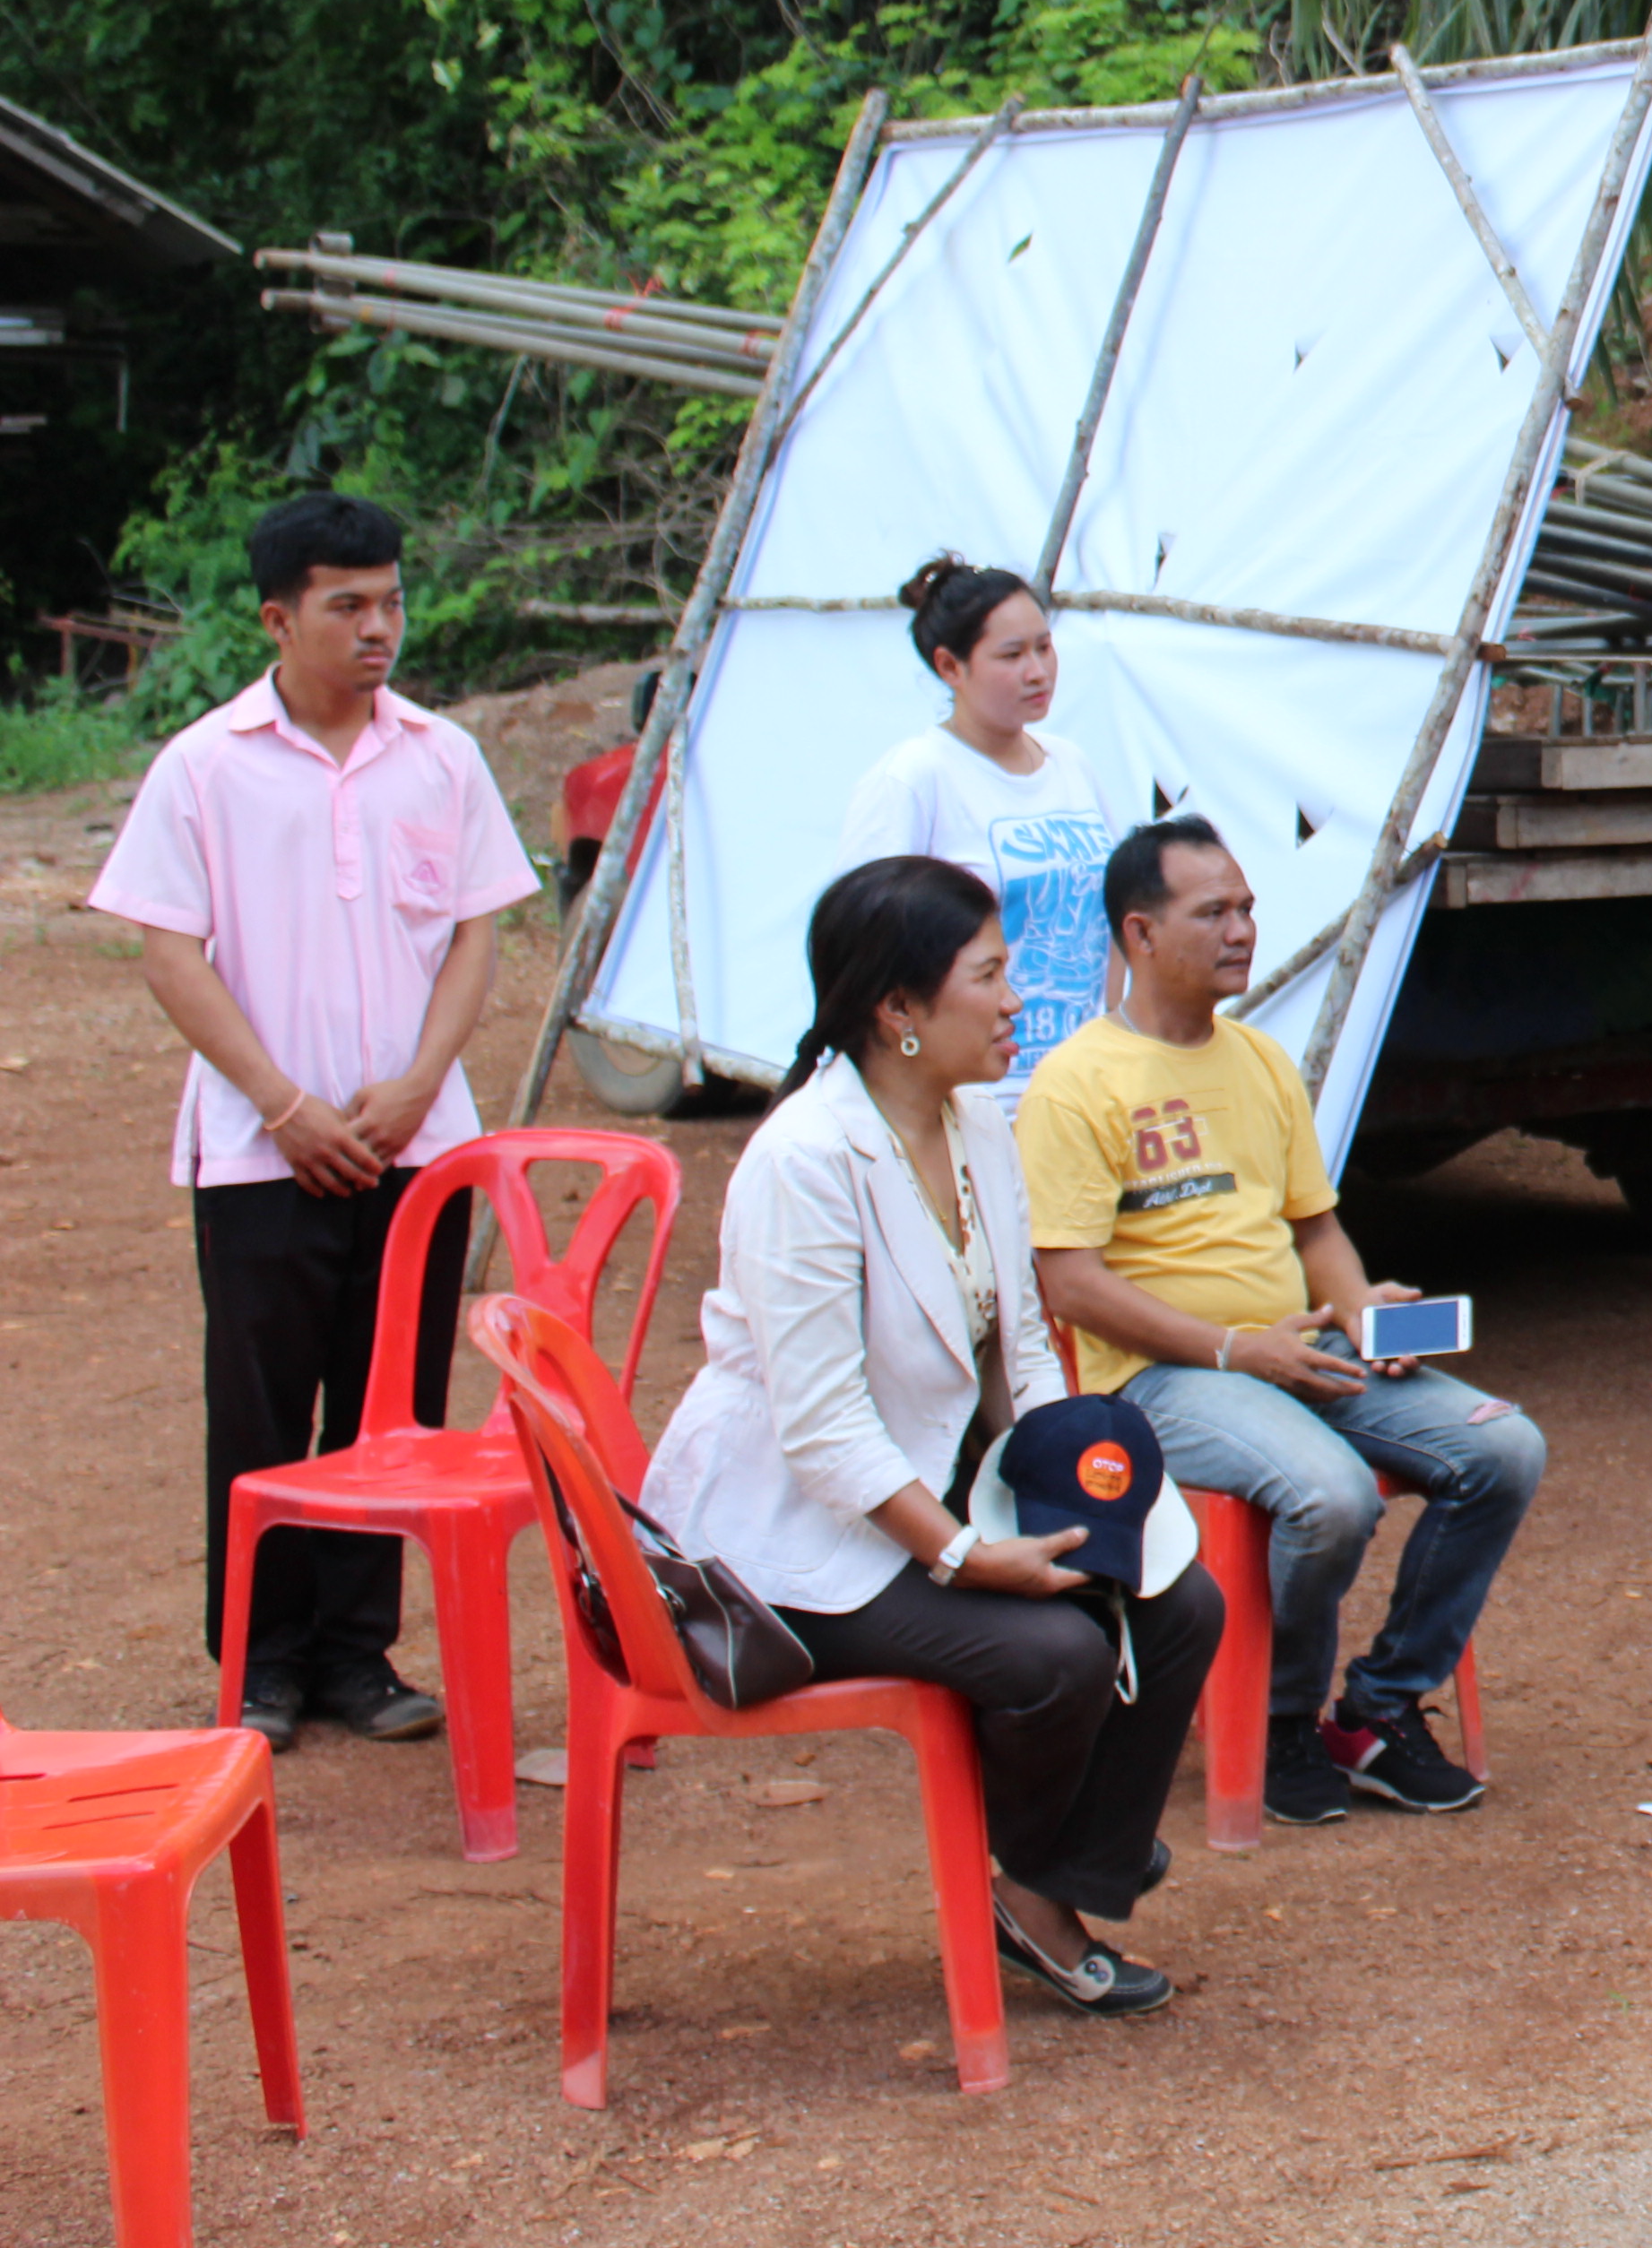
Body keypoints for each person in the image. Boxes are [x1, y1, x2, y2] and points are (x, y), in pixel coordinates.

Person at [638, 856, 1223, 2019]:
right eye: (990, 977)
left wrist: (1079, 1485)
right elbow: (821, 1430)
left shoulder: (976, 1129)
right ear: (898, 1012)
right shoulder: (803, 1163)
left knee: (1176, 1597)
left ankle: (1060, 1872)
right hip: (785, 1539)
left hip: (925, 1484)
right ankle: (1044, 1895)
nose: (1017, 1001)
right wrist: (964, 1554)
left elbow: (1025, 1350)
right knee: (1050, 1655)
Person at [91, 491, 539, 1752]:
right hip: (257, 1151)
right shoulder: (205, 766)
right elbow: (172, 956)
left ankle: (358, 1654)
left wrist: (411, 1091)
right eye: (347, 605)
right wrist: (283, 1107)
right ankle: (261, 1664)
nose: (378, 627)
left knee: (391, 1409)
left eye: (390, 601)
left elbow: (474, 937)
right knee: (261, 1405)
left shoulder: (440, 757)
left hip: (418, 1144)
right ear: (278, 617)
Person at [1022, 818, 1540, 1824]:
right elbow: (1073, 1287)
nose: (1242, 929)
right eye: (1211, 911)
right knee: (1333, 1496)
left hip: (1297, 1349)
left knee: (1505, 1450)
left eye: (1248, 907)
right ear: (1139, 933)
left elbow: (1318, 1231)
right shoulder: (1076, 1084)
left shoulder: (1260, 1061)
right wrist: (1231, 1348)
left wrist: (1360, 1310)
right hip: (1159, 1380)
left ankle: (1379, 1709)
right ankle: (1280, 1716)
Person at [834, 558, 1121, 1096]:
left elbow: (1109, 925)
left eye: (1044, 646)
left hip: (1081, 1095)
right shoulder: (914, 778)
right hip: (976, 1100)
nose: (1037, 671)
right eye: (1011, 655)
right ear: (950, 667)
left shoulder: (1072, 765)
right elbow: (858, 949)